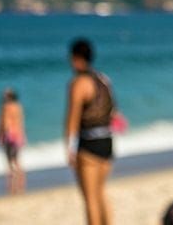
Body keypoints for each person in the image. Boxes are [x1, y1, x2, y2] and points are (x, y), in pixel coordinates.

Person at [65, 37, 115, 225]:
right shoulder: (103, 79)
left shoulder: (78, 83)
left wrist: (70, 146)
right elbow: (113, 111)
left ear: (76, 58)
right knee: (101, 193)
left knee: (90, 199)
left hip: (89, 145)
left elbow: (72, 118)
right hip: (107, 141)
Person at [0, 88, 26, 194]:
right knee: (17, 161)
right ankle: (21, 185)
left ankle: (11, 187)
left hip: (9, 135)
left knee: (9, 163)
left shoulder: (5, 107)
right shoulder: (18, 107)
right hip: (19, 135)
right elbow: (20, 122)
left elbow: (3, 123)